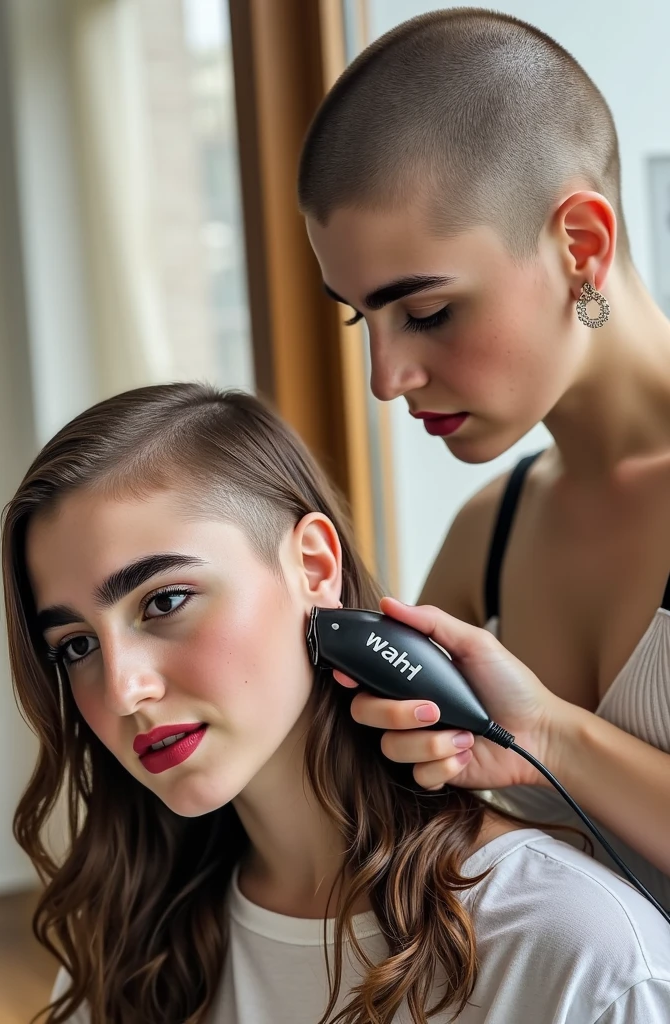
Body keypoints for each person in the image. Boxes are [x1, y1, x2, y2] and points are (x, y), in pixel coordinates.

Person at [3, 383, 670, 1023]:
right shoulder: (124, 944)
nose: (123, 690)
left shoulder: (574, 955)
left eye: (164, 602)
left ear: (315, 567)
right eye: (76, 646)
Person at [299, 8, 670, 906]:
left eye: (425, 313)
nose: (387, 378)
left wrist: (552, 737)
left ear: (581, 245)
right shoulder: (484, 541)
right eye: (362, 319)